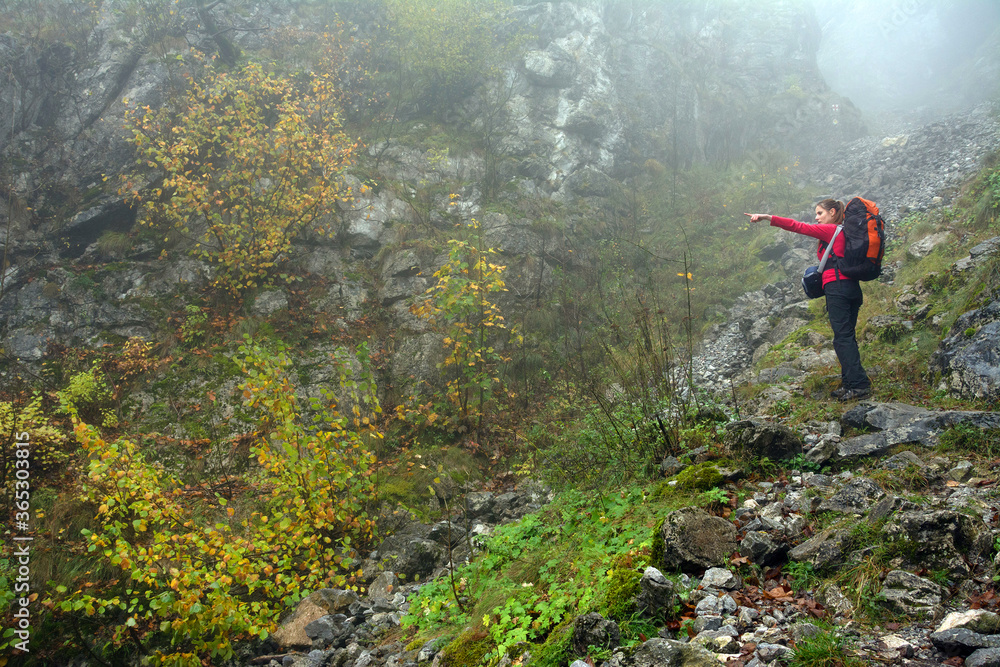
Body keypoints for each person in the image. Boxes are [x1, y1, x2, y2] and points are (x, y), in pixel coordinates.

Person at [744, 200, 872, 401]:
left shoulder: (832, 230)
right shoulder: (847, 233)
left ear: (832, 212)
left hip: (837, 289)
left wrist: (768, 217)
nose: (816, 217)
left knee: (842, 338)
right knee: (846, 336)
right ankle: (850, 383)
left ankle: (859, 385)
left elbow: (798, 227)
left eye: (820, 213)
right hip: (851, 288)